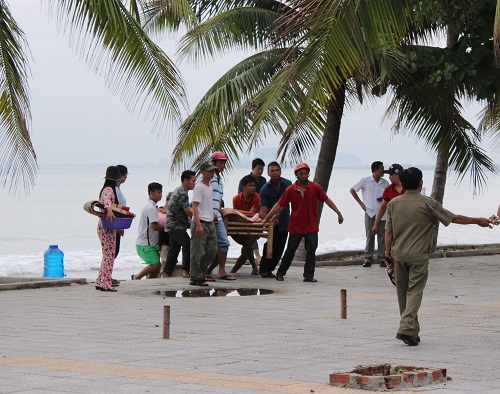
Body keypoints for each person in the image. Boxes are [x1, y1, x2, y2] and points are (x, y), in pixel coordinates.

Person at [385, 167, 493, 346]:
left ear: (402, 184)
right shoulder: (427, 203)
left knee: (402, 294)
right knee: (415, 292)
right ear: (421, 183)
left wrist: (387, 255)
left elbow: (388, 233)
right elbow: (454, 218)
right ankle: (405, 328)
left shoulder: (393, 204)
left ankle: (412, 332)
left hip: (398, 255)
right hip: (418, 255)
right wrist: (478, 221)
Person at [263, 162, 344, 282]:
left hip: (311, 226)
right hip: (295, 226)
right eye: (301, 173)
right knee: (290, 251)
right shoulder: (290, 190)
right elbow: (279, 205)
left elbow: (327, 200)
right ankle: (280, 273)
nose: (304, 176)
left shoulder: (315, 187)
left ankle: (308, 275)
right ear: (296, 174)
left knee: (311, 252)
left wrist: (338, 213)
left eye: (306, 173)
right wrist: (266, 218)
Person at [203, 151, 236, 281]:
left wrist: (218, 210)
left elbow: (218, 198)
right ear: (214, 163)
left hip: (217, 216)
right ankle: (205, 270)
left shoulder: (219, 179)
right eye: (221, 162)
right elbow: (204, 196)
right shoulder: (207, 178)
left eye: (224, 163)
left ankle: (220, 270)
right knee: (209, 245)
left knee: (223, 243)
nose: (223, 165)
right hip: (208, 216)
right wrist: (210, 211)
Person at [350, 161, 389, 267]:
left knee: (382, 236)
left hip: (382, 212)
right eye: (382, 168)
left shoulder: (385, 183)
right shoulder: (365, 181)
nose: (383, 170)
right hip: (370, 212)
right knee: (370, 235)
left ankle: (381, 257)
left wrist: (382, 198)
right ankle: (368, 258)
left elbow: (388, 195)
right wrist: (361, 203)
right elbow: (353, 190)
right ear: (375, 170)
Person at [258, 161, 292, 278]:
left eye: (277, 170)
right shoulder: (265, 189)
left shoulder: (287, 184)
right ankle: (264, 269)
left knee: (280, 246)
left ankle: (270, 269)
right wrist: (266, 220)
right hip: (270, 221)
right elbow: (263, 209)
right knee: (270, 244)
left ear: (280, 171)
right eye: (272, 171)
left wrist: (277, 215)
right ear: (268, 173)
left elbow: (285, 203)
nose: (275, 173)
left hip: (284, 219)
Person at [162, 170, 196, 278]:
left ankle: (166, 273)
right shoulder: (182, 193)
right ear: (185, 181)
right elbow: (188, 211)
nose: (194, 183)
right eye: (193, 181)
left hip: (173, 224)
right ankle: (186, 270)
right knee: (187, 244)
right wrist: (198, 220)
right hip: (175, 225)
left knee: (175, 248)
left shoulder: (179, 190)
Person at [190, 161, 219, 286]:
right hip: (200, 221)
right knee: (197, 251)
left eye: (213, 171)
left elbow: (206, 204)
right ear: (202, 172)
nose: (212, 173)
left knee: (212, 249)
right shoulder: (199, 187)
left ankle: (199, 271)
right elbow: (195, 207)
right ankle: (195, 276)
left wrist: (212, 214)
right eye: (209, 171)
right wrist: (198, 224)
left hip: (210, 221)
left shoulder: (210, 187)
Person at [95, 166, 123, 292]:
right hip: (107, 226)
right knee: (109, 254)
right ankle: (105, 283)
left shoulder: (107, 189)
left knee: (107, 254)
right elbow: (107, 201)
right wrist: (109, 209)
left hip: (107, 226)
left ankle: (101, 280)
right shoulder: (108, 190)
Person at [131, 182, 164, 280]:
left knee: (156, 268)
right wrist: (169, 226)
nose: (160, 195)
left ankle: (149, 284)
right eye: (158, 192)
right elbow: (154, 226)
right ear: (151, 193)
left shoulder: (152, 206)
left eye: (161, 192)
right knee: (156, 265)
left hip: (151, 243)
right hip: (146, 244)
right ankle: (137, 277)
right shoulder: (150, 207)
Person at [230, 175, 261, 275]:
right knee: (246, 248)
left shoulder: (257, 197)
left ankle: (234, 271)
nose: (252, 188)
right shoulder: (236, 199)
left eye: (254, 186)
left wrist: (242, 217)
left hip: (253, 226)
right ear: (243, 187)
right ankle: (254, 268)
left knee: (246, 247)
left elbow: (251, 215)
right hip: (241, 225)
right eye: (250, 185)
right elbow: (236, 213)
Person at [372, 164, 405, 238]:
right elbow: (383, 207)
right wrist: (376, 224)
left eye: (391, 174)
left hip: (407, 221)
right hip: (393, 221)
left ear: (398, 174)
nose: (389, 177)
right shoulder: (388, 189)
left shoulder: (409, 187)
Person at [114, 164, 128, 262]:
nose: (126, 177)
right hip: (116, 223)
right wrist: (119, 226)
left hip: (119, 222)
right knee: (113, 251)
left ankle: (108, 274)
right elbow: (116, 208)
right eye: (125, 174)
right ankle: (106, 275)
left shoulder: (118, 189)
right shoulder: (114, 190)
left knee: (115, 250)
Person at [158, 192, 172, 276]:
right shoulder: (160, 210)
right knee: (164, 262)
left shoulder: (172, 212)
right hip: (163, 241)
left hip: (172, 241)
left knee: (170, 262)